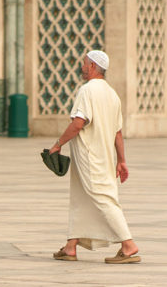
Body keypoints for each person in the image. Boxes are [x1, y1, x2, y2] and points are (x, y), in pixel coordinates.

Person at [49, 50, 141, 264]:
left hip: (90, 157)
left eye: (83, 63)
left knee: (103, 198)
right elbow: (118, 132)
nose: (81, 67)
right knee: (81, 197)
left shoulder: (87, 90)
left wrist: (57, 145)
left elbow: (78, 123)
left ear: (91, 66)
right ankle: (71, 247)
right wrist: (121, 160)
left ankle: (128, 245)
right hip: (105, 157)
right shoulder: (112, 94)